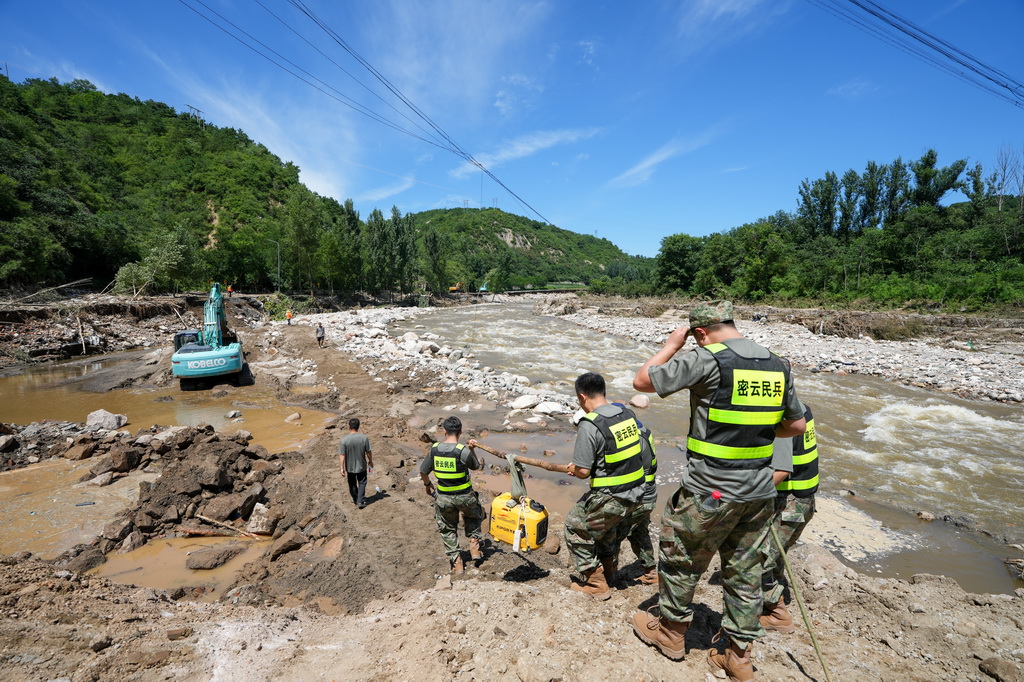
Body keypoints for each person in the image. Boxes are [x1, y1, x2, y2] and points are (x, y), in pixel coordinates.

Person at [629, 300, 806, 681]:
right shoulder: (777, 364)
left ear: (700, 332)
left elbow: (642, 382)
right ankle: (738, 657)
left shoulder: (708, 358)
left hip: (710, 491)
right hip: (758, 492)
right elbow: (796, 426)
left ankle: (671, 633)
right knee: (745, 570)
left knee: (681, 557)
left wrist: (672, 345)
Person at [563, 372, 646, 600]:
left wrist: (575, 469)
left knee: (574, 526)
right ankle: (609, 574)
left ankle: (595, 582)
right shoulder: (627, 414)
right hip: (637, 492)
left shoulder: (590, 425)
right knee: (606, 528)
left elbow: (582, 471)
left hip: (613, 496)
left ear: (582, 397)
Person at [760, 404, 819, 634]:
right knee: (776, 552)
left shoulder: (781, 415)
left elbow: (781, 471)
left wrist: (748, 494)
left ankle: (777, 613)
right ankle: (773, 592)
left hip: (790, 504)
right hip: (803, 501)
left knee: (761, 557)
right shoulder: (800, 408)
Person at [419, 416, 485, 573]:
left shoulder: (434, 449)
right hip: (466, 496)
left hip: (444, 498)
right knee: (474, 517)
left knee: (447, 528)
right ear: (460, 432)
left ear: (444, 431)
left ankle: (457, 563)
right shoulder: (462, 451)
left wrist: (428, 485)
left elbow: (423, 471)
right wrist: (472, 449)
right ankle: (474, 547)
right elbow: (476, 466)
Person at [611, 414, 659, 586]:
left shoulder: (632, 438)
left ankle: (609, 575)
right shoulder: (643, 431)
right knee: (639, 532)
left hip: (637, 497)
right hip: (648, 494)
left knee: (614, 534)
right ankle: (651, 572)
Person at [339, 418, 374, 509]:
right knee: (362, 482)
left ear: (349, 426)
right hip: (362, 465)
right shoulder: (364, 438)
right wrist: (370, 461)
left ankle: (356, 498)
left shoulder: (344, 440)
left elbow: (342, 455)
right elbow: (368, 452)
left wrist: (341, 467)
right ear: (358, 426)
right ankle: (360, 500)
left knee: (352, 483)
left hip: (350, 467)